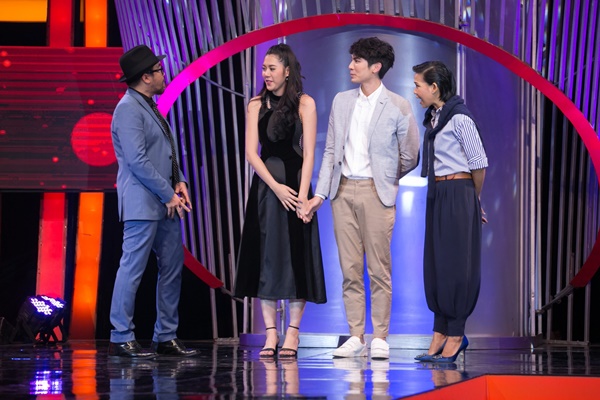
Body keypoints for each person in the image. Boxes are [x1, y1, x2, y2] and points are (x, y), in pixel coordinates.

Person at [305, 37, 420, 359]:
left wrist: (385, 177)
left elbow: (411, 155)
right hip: (342, 191)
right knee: (350, 269)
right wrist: (320, 194)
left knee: (379, 270)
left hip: (376, 192)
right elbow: (331, 151)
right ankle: (355, 335)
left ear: (376, 66)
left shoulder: (398, 105)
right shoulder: (342, 101)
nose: (350, 66)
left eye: (357, 60)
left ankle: (380, 336)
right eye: (351, 59)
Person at [234, 43, 327, 359]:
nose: (266, 73)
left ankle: (293, 333)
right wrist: (275, 187)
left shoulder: (305, 103)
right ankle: (271, 333)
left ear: (287, 71)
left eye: (272, 68)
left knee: (297, 258)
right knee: (268, 259)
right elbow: (252, 153)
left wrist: (302, 196)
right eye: (264, 68)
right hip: (267, 190)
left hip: (297, 186)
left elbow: (309, 152)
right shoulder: (255, 105)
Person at [109, 44, 199, 358]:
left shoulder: (149, 105)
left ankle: (166, 336)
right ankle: (121, 336)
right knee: (132, 269)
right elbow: (137, 161)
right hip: (143, 202)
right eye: (159, 71)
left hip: (165, 201)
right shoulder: (128, 109)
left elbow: (166, 152)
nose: (163, 74)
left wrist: (179, 180)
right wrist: (168, 193)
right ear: (146, 77)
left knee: (172, 267)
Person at [411, 61, 488, 363]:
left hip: (459, 191)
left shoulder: (460, 119)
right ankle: (440, 330)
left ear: (434, 87)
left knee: (457, 264)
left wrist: (473, 201)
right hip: (438, 192)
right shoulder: (434, 118)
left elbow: (478, 163)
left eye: (418, 85)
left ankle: (456, 333)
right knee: (436, 262)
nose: (415, 90)